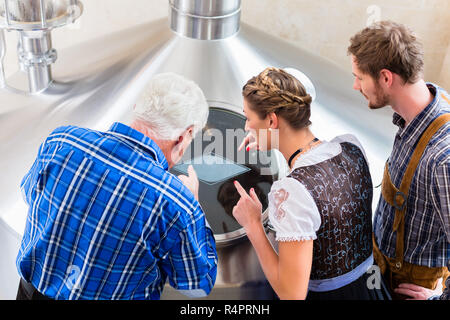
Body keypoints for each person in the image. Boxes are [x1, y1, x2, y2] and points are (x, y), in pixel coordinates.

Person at [15, 72, 217, 300]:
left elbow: (28, 195)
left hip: (29, 294)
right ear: (185, 135)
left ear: (136, 107)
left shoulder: (61, 141)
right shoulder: (176, 201)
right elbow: (197, 287)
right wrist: (195, 205)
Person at [232, 67, 391, 300]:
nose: (246, 127)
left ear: (272, 120)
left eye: (248, 117)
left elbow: (291, 294)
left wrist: (253, 225)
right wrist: (270, 139)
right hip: (374, 287)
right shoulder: (351, 147)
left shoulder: (291, 191)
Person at [348, 20, 450, 300]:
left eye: (359, 77)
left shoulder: (443, 159)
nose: (355, 86)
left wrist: (437, 300)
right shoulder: (424, 104)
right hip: (382, 269)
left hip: (409, 288)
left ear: (385, 78)